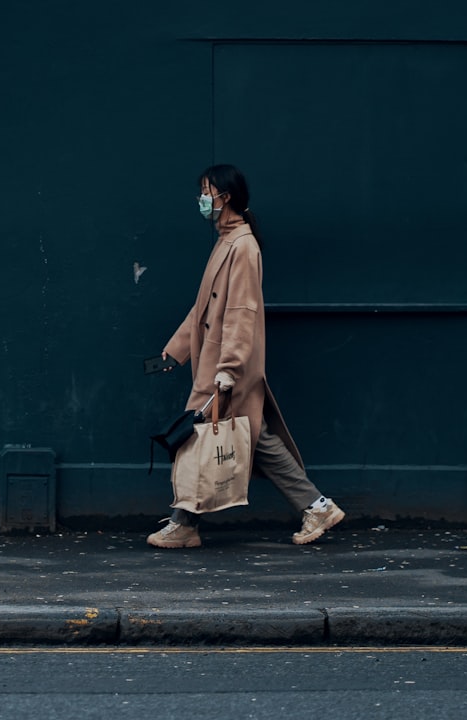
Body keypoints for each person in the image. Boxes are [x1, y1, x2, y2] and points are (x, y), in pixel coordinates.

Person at [147, 164, 344, 548]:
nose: (202, 199)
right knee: (247, 438)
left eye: (207, 192)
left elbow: (242, 311)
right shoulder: (227, 241)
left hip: (225, 368)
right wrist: (175, 352)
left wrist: (229, 369)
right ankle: (314, 506)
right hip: (217, 364)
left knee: (202, 437)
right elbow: (203, 309)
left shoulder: (243, 246)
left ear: (227, 196)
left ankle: (185, 523)